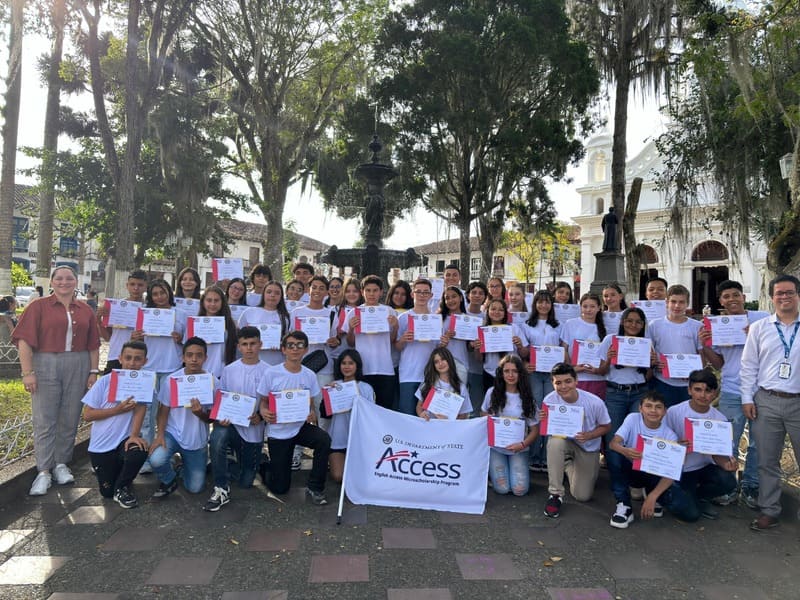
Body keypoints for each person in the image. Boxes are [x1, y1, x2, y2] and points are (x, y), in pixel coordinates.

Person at [14, 266, 101, 496]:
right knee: (44, 417)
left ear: (76, 282)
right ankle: (43, 470)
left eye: (69, 278)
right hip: (46, 362)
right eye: (59, 278)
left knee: (70, 415)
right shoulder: (38, 306)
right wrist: (28, 372)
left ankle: (61, 463)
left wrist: (93, 371)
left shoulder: (85, 309)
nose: (64, 282)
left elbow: (93, 344)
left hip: (78, 363)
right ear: (52, 282)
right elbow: (23, 341)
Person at [698, 280, 768, 508]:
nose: (732, 299)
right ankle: (728, 487)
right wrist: (705, 344)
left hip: (761, 389)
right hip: (730, 389)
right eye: (726, 296)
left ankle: (751, 486)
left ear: (743, 297)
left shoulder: (762, 318)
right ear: (721, 301)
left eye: (735, 295)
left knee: (759, 442)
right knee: (728, 441)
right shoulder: (717, 325)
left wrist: (756, 335)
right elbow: (718, 364)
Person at [740, 274, 800, 531]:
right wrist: (746, 398)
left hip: (798, 401)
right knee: (767, 460)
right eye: (779, 293)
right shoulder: (760, 328)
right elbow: (748, 365)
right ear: (772, 297)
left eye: (789, 292)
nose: (784, 297)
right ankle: (770, 510)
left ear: (798, 295)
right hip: (767, 399)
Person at [257, 331, 331, 505]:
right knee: (280, 488)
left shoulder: (309, 375)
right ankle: (264, 465)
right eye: (290, 345)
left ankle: (316, 487)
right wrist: (264, 411)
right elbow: (263, 402)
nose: (295, 349)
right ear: (283, 349)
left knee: (323, 439)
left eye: (299, 346)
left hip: (299, 428)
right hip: (279, 432)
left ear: (305, 349)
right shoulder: (271, 373)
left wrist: (311, 413)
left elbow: (310, 404)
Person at [204, 326, 268, 512]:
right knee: (218, 436)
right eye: (245, 344)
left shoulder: (269, 371)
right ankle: (221, 487)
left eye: (253, 344)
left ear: (260, 345)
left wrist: (261, 417)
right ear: (239, 346)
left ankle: (223, 462)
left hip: (253, 431)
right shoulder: (229, 370)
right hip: (232, 427)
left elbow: (271, 402)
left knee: (246, 481)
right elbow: (222, 399)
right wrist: (222, 418)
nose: (249, 348)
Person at [81, 341, 149, 509]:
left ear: (145, 361)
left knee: (139, 450)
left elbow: (141, 408)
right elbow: (88, 415)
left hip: (123, 441)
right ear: (120, 359)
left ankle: (123, 487)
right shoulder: (104, 382)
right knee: (107, 493)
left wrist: (134, 435)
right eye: (128, 358)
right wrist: (118, 409)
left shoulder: (144, 381)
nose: (132, 363)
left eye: (137, 359)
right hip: (101, 446)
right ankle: (118, 482)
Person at [664, 369, 738, 522]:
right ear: (689, 390)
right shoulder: (674, 412)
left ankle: (698, 498)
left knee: (728, 481)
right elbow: (663, 443)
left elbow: (718, 455)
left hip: (703, 468)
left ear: (715, 394)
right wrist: (677, 446)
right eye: (698, 390)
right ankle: (670, 497)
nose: (703, 395)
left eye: (708, 391)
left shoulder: (720, 420)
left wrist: (726, 465)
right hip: (681, 470)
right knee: (691, 516)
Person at [542, 363, 611, 518]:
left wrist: (589, 435)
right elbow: (549, 431)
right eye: (558, 383)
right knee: (555, 442)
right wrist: (544, 421)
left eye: (568, 381)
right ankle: (555, 494)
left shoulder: (594, 402)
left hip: (587, 446)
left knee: (582, 496)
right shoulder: (549, 400)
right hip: (565, 441)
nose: (563, 386)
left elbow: (606, 426)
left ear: (576, 381)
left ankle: (567, 464)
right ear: (553, 384)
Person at [149, 337, 215, 497]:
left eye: (199, 355)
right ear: (183, 357)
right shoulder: (171, 380)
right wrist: (160, 436)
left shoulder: (212, 382)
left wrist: (200, 413)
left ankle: (182, 467)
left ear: (205, 358)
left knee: (195, 488)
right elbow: (163, 410)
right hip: (172, 434)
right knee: (156, 460)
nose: (194, 359)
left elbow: (212, 418)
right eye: (189, 355)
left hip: (196, 440)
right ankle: (169, 479)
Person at [131, 279, 184, 473]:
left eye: (163, 292)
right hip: (148, 369)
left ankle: (164, 455)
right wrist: (135, 337)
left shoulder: (181, 314)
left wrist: (180, 339)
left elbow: (190, 344)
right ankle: (144, 458)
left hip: (173, 368)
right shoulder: (144, 314)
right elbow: (135, 340)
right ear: (150, 297)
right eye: (155, 294)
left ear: (169, 293)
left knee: (167, 414)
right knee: (146, 414)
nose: (160, 297)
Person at [607, 391, 678, 528]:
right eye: (648, 406)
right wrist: (625, 451)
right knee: (614, 454)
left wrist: (653, 497)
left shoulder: (670, 435)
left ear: (665, 411)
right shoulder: (633, 418)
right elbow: (613, 443)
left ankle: (652, 494)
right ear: (640, 408)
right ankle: (624, 505)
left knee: (677, 503)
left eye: (658, 407)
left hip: (653, 476)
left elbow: (672, 472)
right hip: (632, 469)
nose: (653, 410)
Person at [481, 355, 540, 496]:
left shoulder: (527, 398)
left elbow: (535, 429)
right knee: (502, 489)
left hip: (518, 449)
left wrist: (522, 444)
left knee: (520, 490)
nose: (510, 375)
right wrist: (490, 420)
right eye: (506, 371)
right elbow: (483, 414)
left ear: (520, 373)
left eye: (515, 371)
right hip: (496, 448)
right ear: (501, 373)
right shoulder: (492, 393)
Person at [343, 275, 399, 410]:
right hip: (363, 368)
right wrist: (351, 328)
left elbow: (391, 341)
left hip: (385, 368)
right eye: (368, 290)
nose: (371, 294)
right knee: (364, 409)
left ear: (381, 292)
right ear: (362, 292)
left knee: (384, 409)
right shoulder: (354, 313)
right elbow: (350, 343)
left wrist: (396, 326)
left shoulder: (389, 311)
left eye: (375, 290)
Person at [520, 290, 561, 471]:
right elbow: (524, 352)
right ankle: (534, 456)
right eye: (540, 302)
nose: (543, 306)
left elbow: (563, 349)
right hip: (535, 374)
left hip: (554, 375)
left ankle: (547, 458)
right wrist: (525, 362)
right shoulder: (526, 325)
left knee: (550, 413)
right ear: (534, 304)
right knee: (535, 412)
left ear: (551, 305)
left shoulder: (559, 325)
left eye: (547, 302)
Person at [322, 349, 375, 482]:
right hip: (338, 439)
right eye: (343, 363)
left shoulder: (366, 388)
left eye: (351, 363)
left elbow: (371, 416)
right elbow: (325, 414)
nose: (346, 366)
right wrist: (327, 396)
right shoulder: (334, 386)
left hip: (359, 440)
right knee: (338, 476)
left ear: (357, 366)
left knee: (360, 477)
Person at [647, 284, 703, 407]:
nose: (677, 306)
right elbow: (649, 352)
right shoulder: (655, 325)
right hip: (662, 382)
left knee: (684, 421)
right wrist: (655, 362)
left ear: (687, 304)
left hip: (688, 384)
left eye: (681, 302)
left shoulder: (696, 326)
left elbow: (701, 355)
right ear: (666, 302)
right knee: (663, 419)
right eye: (673, 301)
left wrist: (695, 373)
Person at [395, 279, 440, 415]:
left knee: (427, 417)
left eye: (425, 292)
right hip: (408, 374)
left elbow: (439, 348)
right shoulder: (403, 318)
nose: (422, 295)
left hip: (431, 376)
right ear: (412, 294)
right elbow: (397, 347)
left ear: (431, 295)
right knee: (407, 415)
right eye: (418, 292)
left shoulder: (436, 319)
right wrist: (402, 339)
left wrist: (444, 343)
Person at [97, 269, 148, 373]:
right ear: (127, 285)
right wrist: (98, 319)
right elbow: (107, 337)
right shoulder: (116, 307)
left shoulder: (150, 309)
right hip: (116, 357)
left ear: (146, 286)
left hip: (140, 361)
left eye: (140, 285)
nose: (136, 288)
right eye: (132, 284)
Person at [559, 292, 607, 400]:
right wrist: (571, 368)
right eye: (585, 306)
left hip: (597, 379)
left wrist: (597, 369)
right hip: (576, 377)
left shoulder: (603, 327)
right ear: (580, 307)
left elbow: (605, 354)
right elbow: (564, 348)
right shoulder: (570, 324)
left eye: (592, 306)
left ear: (599, 308)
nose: (588, 310)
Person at [238, 280, 291, 366]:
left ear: (281, 297)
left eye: (277, 293)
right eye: (269, 292)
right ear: (263, 294)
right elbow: (239, 336)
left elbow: (287, 341)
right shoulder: (249, 312)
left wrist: (280, 345)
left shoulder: (285, 317)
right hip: (252, 362)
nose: (272, 295)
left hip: (276, 362)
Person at [189, 285, 238, 379]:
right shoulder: (194, 323)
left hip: (220, 373)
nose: (212, 304)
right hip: (197, 373)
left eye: (216, 300)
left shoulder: (229, 325)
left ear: (222, 302)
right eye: (209, 300)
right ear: (203, 302)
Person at [415, 347, 471, 420]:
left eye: (443, 359)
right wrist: (421, 414)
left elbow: (464, 414)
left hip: (450, 429)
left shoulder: (460, 387)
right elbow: (419, 407)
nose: (440, 364)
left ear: (449, 360)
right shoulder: (428, 383)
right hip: (429, 426)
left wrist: (449, 419)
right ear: (434, 366)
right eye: (436, 362)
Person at [465, 282, 488, 414]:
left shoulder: (486, 318)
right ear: (468, 295)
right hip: (460, 365)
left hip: (478, 368)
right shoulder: (460, 315)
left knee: (476, 405)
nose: (477, 296)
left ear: (485, 297)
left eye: (481, 293)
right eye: (474, 292)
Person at [438, 285, 470, 383]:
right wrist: (445, 339)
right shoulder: (439, 319)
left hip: (461, 363)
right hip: (442, 363)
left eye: (454, 296)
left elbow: (471, 347)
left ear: (460, 298)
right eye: (447, 298)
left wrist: (473, 344)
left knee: (458, 395)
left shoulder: (469, 320)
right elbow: (433, 345)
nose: (451, 300)